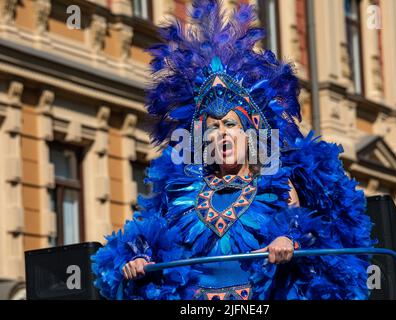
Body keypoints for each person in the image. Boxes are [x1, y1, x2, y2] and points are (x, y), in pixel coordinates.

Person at [91, 0, 374, 300]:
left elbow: (302, 227)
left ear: (249, 132)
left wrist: (287, 240)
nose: (222, 134)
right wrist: (140, 257)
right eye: (213, 128)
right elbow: (157, 236)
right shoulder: (183, 190)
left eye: (230, 125)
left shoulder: (277, 182)